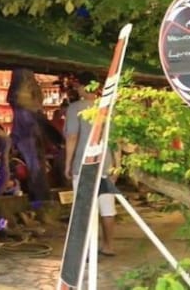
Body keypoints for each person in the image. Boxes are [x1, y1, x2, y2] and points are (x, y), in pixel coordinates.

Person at [63, 72, 118, 256]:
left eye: (78, 86)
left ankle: (87, 250)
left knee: (84, 207)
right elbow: (115, 140)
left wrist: (68, 164)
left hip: (83, 163)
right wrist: (117, 164)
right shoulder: (108, 108)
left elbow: (72, 137)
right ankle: (108, 246)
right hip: (106, 163)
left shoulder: (75, 108)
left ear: (83, 87)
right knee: (107, 207)